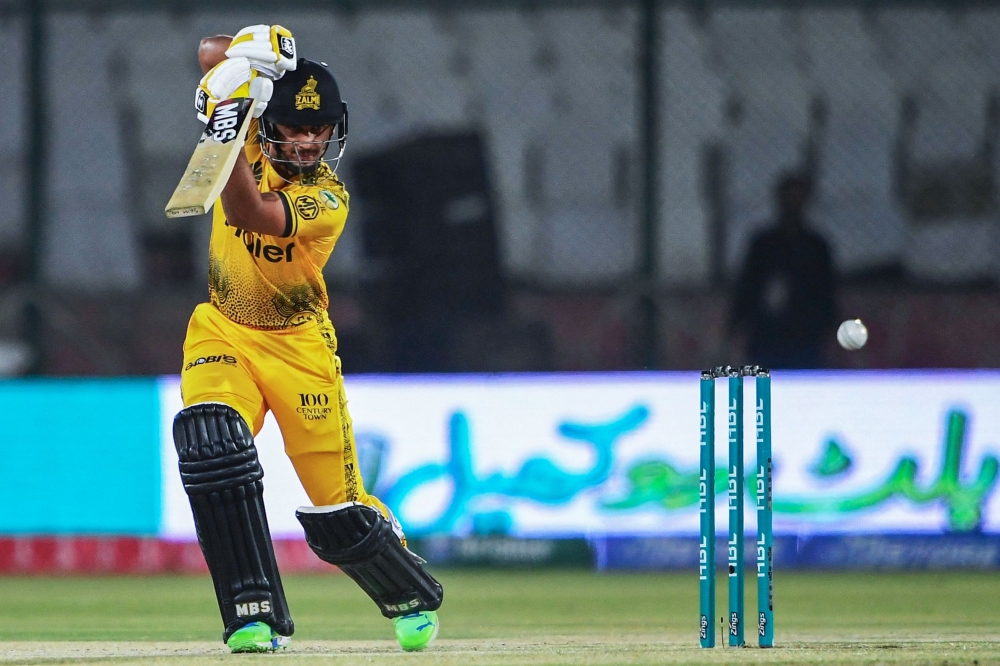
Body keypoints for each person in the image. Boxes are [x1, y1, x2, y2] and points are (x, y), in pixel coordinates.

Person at [172, 25, 442, 653]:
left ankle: (407, 587)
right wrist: (252, 56)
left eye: (320, 129)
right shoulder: (251, 133)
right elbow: (210, 52)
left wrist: (228, 126)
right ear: (273, 122)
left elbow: (247, 214)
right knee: (212, 443)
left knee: (339, 515)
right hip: (224, 331)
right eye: (296, 126)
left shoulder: (329, 196)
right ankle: (251, 612)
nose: (309, 139)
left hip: (300, 351)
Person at [728, 173, 837, 369]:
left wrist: (829, 329)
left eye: (798, 197)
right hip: (767, 334)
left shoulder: (816, 246)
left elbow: (826, 292)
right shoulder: (763, 244)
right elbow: (747, 286)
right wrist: (736, 326)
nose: (793, 203)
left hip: (805, 334)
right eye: (788, 197)